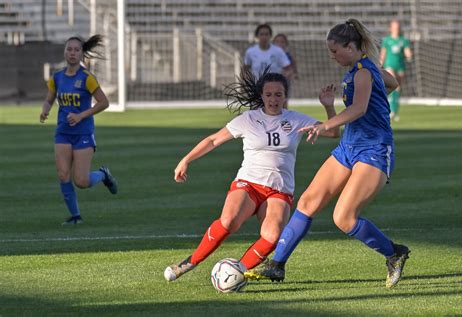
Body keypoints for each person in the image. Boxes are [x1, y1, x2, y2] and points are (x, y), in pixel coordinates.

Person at [245, 18, 410, 289]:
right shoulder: (363, 69)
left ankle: (395, 253)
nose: (332, 56)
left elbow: (359, 109)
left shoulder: (363, 72)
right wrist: (330, 109)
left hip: (374, 149)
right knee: (308, 202)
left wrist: (325, 125)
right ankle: (277, 265)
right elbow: (390, 84)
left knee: (344, 218)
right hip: (349, 147)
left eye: (335, 51)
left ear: (351, 46)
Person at [163, 67, 340, 282]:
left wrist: (329, 106)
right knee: (229, 221)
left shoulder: (295, 119)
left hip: (279, 190)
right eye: (268, 95)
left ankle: (237, 273)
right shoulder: (248, 119)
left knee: (273, 236)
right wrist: (186, 160)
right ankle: (190, 262)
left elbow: (332, 132)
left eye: (278, 94)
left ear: (285, 96)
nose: (273, 99)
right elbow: (213, 140)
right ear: (261, 96)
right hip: (248, 184)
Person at [40, 34, 118, 225]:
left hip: (83, 133)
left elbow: (104, 102)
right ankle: (76, 217)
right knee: (62, 174)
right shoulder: (57, 77)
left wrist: (81, 115)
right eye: (69, 49)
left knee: (81, 181)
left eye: (76, 50)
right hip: (63, 132)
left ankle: (103, 174)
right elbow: (50, 97)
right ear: (65, 52)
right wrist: (45, 110)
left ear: (82, 53)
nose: (72, 53)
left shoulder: (87, 78)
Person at [380, 19, 412, 122]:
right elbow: (383, 54)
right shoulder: (387, 40)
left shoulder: (403, 40)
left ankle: (394, 111)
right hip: (389, 65)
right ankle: (390, 111)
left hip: (400, 66)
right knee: (393, 84)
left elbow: (407, 52)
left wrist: (409, 55)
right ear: (391, 28)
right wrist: (380, 64)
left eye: (397, 27)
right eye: (394, 27)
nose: (396, 29)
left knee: (398, 88)